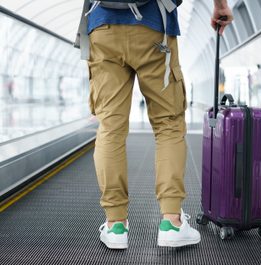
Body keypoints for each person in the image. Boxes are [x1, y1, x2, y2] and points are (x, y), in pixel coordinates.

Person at [75, 0, 233, 249]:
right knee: (168, 124)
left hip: (103, 27)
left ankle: (115, 224)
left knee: (110, 129)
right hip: (154, 25)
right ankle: (172, 222)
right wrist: (220, 5)